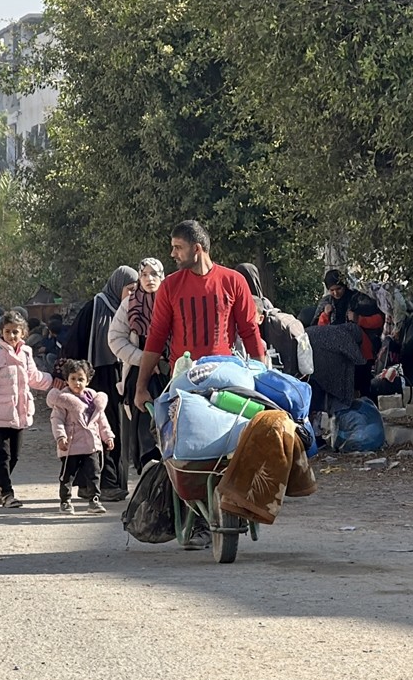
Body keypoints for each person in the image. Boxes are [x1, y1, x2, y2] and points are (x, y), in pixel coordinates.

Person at [132, 220, 265, 551]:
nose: (173, 254)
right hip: (185, 378)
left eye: (177, 247)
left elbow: (250, 334)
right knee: (183, 450)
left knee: (239, 439)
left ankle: (232, 502)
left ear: (197, 248)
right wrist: (141, 385)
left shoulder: (233, 282)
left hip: (227, 376)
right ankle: (197, 515)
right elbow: (156, 337)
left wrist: (263, 377)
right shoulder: (171, 287)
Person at [60, 265, 138, 502]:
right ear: (117, 287)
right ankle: (104, 484)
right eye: (130, 289)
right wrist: (76, 379)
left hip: (121, 374)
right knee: (100, 427)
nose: (133, 295)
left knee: (116, 431)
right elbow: (74, 344)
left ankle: (96, 484)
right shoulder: (94, 308)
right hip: (96, 377)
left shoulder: (133, 310)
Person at [0, 311, 56, 508]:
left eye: (15, 332)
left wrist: (54, 381)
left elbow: (33, 377)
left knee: (15, 456)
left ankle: (0, 486)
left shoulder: (26, 352)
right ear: (1, 332)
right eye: (8, 332)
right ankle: (8, 494)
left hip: (19, 413)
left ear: (23, 333)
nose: (11, 336)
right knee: (2, 455)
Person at [109, 257, 167, 473]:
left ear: (162, 276)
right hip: (140, 374)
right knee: (146, 429)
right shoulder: (129, 305)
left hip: (171, 371)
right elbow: (115, 339)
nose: (149, 279)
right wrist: (144, 360)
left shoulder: (171, 300)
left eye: (154, 274)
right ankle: (149, 472)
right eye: (144, 274)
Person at [47, 359, 116, 515]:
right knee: (67, 476)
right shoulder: (63, 400)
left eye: (81, 379)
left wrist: (108, 437)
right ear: (66, 380)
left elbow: (101, 420)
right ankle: (65, 501)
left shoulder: (94, 399)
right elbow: (56, 420)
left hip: (91, 444)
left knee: (94, 474)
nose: (77, 383)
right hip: (70, 445)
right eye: (73, 379)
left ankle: (94, 501)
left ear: (88, 380)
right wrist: (60, 437)